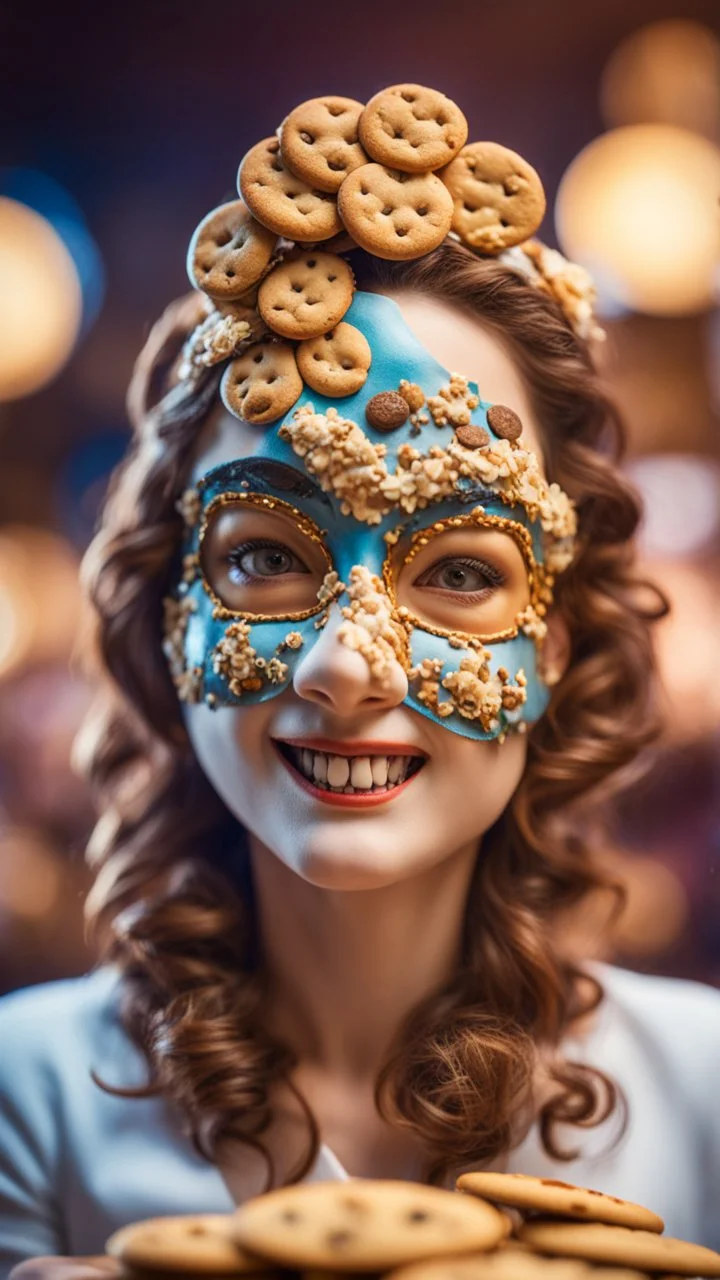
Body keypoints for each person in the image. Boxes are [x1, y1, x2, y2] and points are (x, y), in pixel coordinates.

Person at [2, 85, 720, 1278]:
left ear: (553, 646)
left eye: (459, 569)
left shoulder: (708, 1098)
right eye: (268, 558)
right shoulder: (25, 1101)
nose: (346, 665)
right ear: (172, 612)